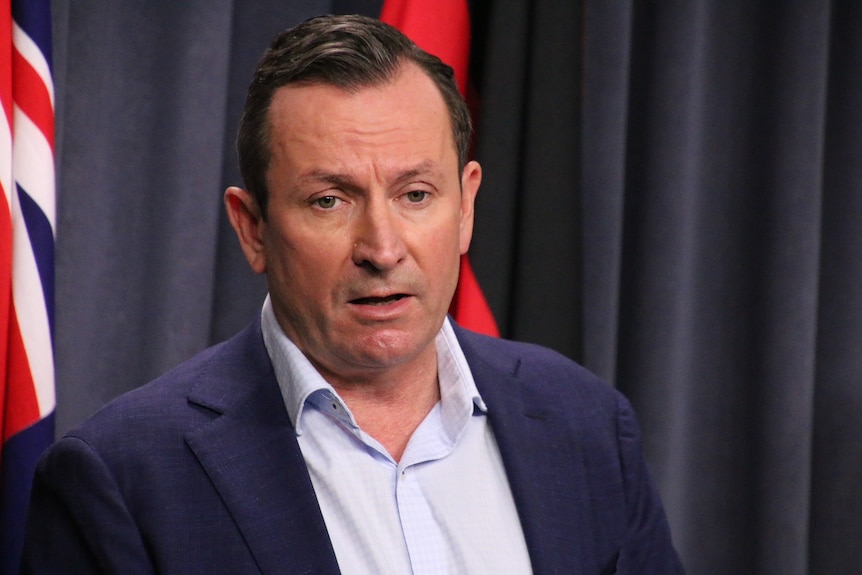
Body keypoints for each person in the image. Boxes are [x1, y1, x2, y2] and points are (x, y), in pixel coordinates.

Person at [21, 14, 683, 574]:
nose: (383, 247)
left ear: (467, 206)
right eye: (330, 200)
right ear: (253, 229)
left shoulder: (586, 423)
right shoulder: (124, 478)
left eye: (416, 194)